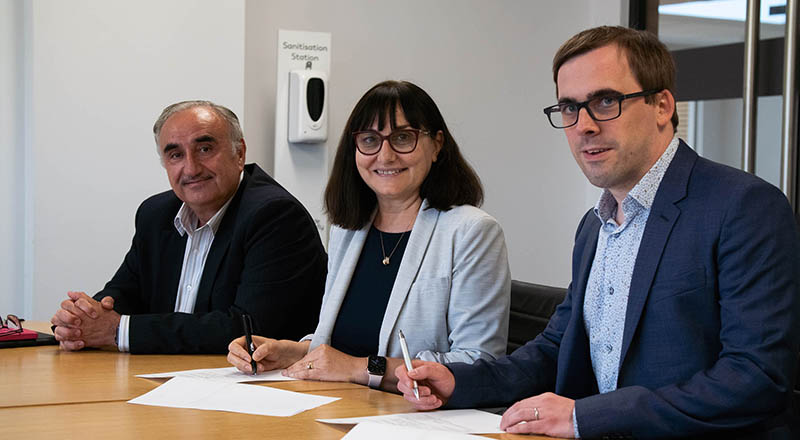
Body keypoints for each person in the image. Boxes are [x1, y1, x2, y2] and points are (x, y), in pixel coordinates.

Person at [396, 26, 800, 439]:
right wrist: (458, 381)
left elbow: (755, 377)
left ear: (662, 106)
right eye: (569, 108)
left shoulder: (743, 207)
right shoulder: (594, 226)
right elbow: (556, 350)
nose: (583, 126)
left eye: (605, 101)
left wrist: (585, 417)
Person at [228, 80, 510, 392]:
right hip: (344, 406)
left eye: (403, 138)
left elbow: (478, 362)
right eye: (370, 140)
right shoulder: (348, 231)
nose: (385, 156)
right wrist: (289, 351)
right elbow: (346, 343)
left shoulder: (472, 232)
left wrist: (360, 368)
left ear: (437, 145)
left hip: (414, 419)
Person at [50, 100, 327, 354]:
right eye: (175, 155)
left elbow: (248, 329)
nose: (191, 168)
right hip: (171, 379)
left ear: (239, 153)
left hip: (257, 388)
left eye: (205, 149)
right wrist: (83, 318)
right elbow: (125, 292)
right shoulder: (155, 214)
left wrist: (118, 331)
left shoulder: (275, 216)